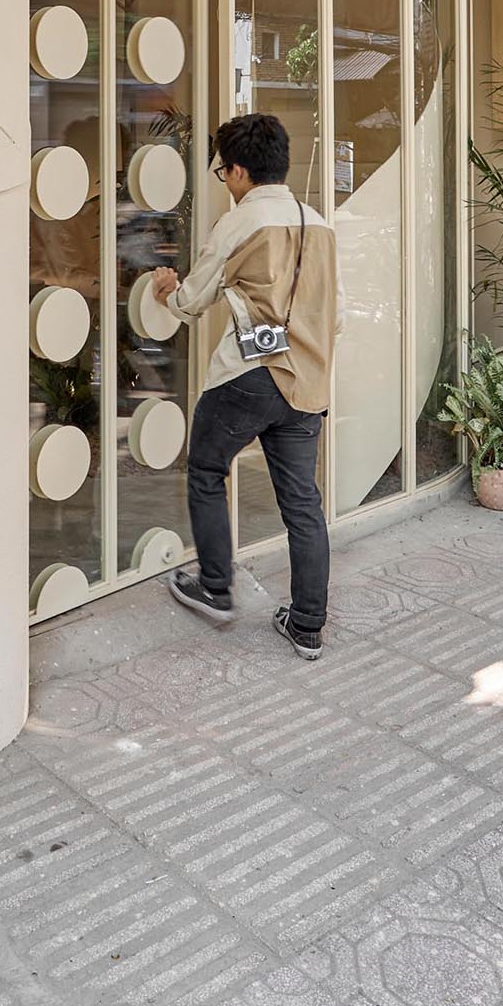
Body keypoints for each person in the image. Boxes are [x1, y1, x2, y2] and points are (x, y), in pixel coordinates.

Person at [150, 113, 342, 661]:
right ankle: (307, 625)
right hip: (306, 381)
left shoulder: (239, 224)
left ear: (237, 170)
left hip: (248, 377)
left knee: (208, 469)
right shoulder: (319, 224)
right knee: (303, 503)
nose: (225, 182)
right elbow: (339, 315)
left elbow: (192, 301)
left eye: (221, 172)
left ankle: (215, 587)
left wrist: (167, 289)